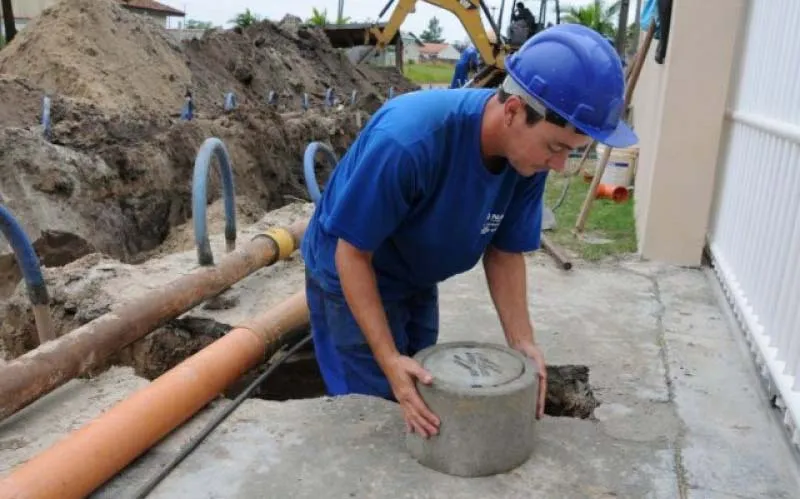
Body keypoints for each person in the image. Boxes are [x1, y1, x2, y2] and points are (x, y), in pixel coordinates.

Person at [300, 24, 637, 438]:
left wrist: (523, 341)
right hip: (352, 272)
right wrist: (387, 359)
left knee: (424, 389)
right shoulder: (409, 141)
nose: (560, 166)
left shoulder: (526, 159)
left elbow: (506, 251)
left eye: (571, 151)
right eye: (555, 148)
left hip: (416, 272)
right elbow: (352, 254)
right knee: (375, 412)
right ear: (513, 110)